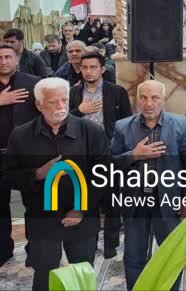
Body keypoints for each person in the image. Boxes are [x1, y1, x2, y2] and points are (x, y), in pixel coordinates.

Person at [3, 78, 107, 289]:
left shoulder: (91, 130)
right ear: (39, 104)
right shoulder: (21, 135)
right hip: (41, 219)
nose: (60, 106)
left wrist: (81, 208)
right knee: (45, 276)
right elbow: (7, 176)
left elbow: (103, 175)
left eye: (64, 100)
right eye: (53, 101)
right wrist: (37, 174)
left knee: (82, 275)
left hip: (82, 218)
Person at [110, 80, 186, 290]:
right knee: (134, 256)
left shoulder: (182, 124)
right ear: (137, 100)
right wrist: (134, 155)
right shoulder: (122, 127)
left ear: (163, 99)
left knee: (171, 255)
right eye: (143, 97)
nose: (149, 103)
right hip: (135, 200)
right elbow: (110, 162)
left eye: (154, 97)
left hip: (168, 200)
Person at [68, 51, 132, 258]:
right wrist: (79, 110)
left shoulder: (117, 91)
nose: (88, 71)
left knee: (111, 200)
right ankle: (91, 240)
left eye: (93, 67)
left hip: (109, 151)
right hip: (82, 154)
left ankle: (111, 244)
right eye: (85, 67)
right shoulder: (73, 92)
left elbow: (126, 121)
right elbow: (63, 119)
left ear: (102, 69)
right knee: (87, 198)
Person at [0, 44, 39, 267]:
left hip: (27, 155)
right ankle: (3, 250)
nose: (3, 61)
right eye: (0, 57)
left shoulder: (32, 83)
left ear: (17, 59)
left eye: (8, 57)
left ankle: (35, 249)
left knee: (33, 204)